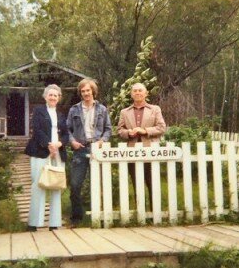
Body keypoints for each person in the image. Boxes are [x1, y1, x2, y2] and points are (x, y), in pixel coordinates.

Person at [67, 78, 112, 227]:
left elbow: (108, 129)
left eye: (88, 90)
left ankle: (101, 216)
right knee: (75, 184)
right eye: (83, 91)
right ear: (80, 93)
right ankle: (77, 217)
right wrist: (72, 142)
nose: (86, 93)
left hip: (97, 150)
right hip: (80, 150)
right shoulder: (74, 109)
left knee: (99, 183)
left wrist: (102, 141)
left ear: (93, 91)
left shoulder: (102, 109)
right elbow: (67, 130)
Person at [25, 84, 69, 231]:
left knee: (56, 186)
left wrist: (59, 143)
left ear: (59, 98)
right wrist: (48, 145)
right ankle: (34, 223)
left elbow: (66, 134)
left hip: (58, 153)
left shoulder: (61, 115)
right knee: (38, 185)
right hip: (40, 151)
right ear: (45, 97)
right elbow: (36, 130)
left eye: (55, 95)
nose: (53, 97)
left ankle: (54, 223)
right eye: (50, 95)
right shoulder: (38, 111)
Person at [117, 82, 166, 210]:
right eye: (135, 91)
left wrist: (145, 131)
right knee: (136, 182)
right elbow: (120, 131)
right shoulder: (124, 112)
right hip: (132, 152)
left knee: (152, 182)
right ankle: (140, 212)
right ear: (131, 94)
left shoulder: (155, 109)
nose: (138, 93)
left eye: (140, 90)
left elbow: (162, 128)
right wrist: (128, 132)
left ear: (146, 93)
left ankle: (154, 212)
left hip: (150, 151)